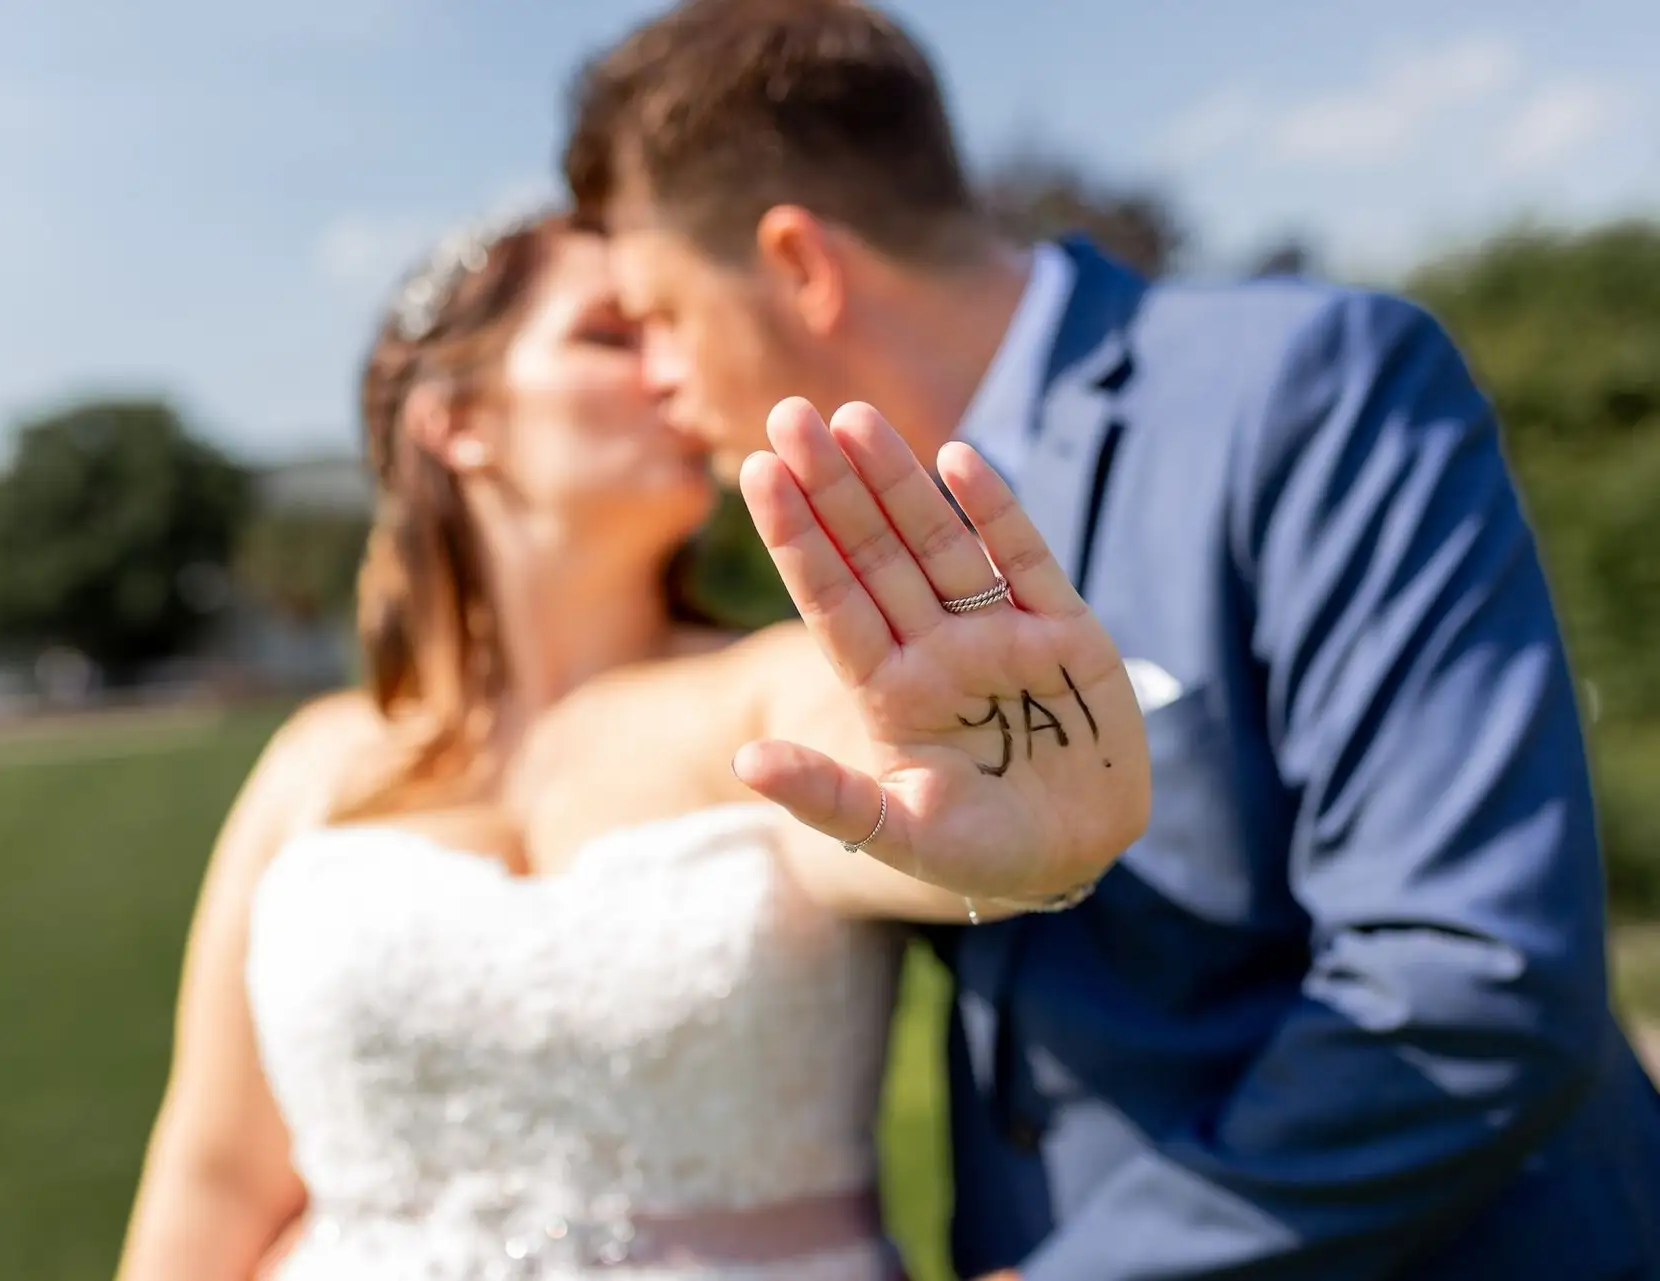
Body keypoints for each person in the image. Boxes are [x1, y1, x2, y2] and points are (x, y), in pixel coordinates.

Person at [559, 1, 1660, 1278]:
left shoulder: (1309, 386)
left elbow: (1468, 971)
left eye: (658, 315)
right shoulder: (853, 570)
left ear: (801, 265)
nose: (654, 380)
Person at [114, 209, 1150, 1279]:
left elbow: (920, 808)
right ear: (454, 420)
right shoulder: (313, 763)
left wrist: (1034, 813)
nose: (672, 368)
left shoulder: (772, 689)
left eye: (669, 327)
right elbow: (216, 1177)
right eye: (612, 336)